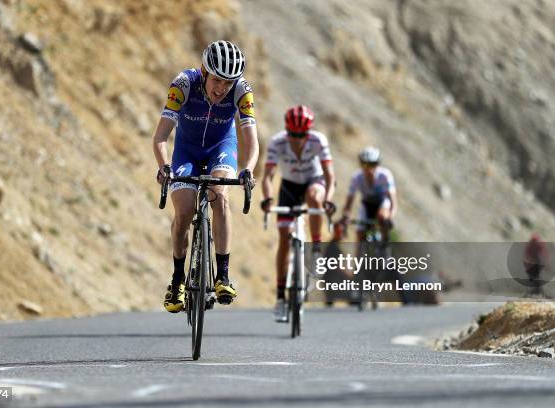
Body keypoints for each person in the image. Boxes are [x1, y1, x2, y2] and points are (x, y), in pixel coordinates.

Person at [153, 40, 259, 313]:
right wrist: (164, 166)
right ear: (203, 71)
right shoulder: (183, 84)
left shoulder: (242, 91)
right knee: (185, 211)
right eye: (216, 80)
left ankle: (222, 275)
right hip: (186, 151)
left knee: (219, 195)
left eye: (227, 82)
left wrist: (247, 168)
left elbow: (252, 142)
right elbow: (161, 136)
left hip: (221, 148)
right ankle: (177, 280)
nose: (221, 89)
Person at [261, 105, 336, 322]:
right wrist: (267, 199)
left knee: (315, 196)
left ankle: (315, 248)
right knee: (284, 238)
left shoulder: (318, 140)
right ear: (287, 130)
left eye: (301, 134)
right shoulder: (278, 142)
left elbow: (330, 176)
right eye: (293, 134)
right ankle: (280, 297)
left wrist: (329, 199)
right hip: (289, 188)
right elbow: (267, 177)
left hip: (315, 181)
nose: (297, 139)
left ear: (308, 132)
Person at [341, 147, 397, 244]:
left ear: (377, 165)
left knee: (382, 216)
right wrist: (346, 214)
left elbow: (393, 200)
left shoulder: (385, 175)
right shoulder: (357, 177)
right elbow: (349, 200)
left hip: (382, 203)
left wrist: (390, 217)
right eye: (364, 164)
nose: (368, 168)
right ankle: (358, 258)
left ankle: (385, 247)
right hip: (366, 203)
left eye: (372, 164)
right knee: (359, 233)